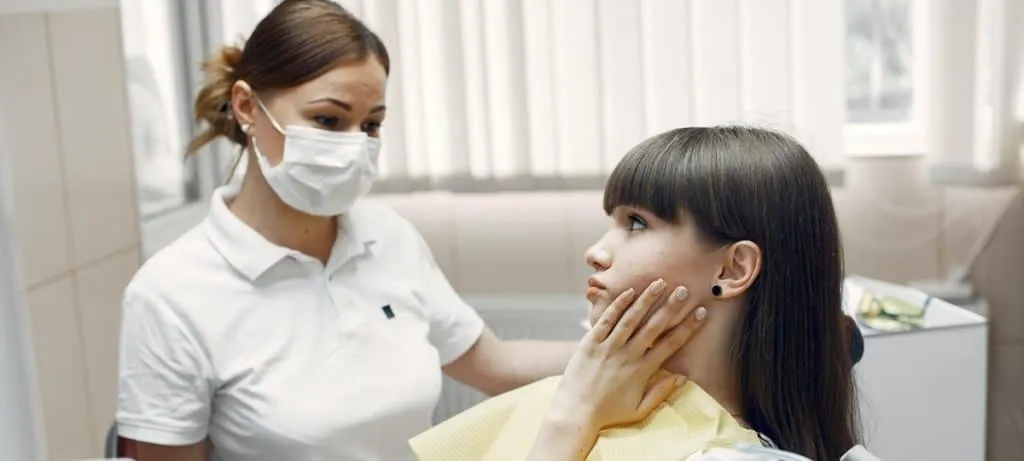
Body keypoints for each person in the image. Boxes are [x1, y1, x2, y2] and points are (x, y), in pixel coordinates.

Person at [115, 1, 622, 460]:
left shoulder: (388, 238)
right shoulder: (171, 295)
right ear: (247, 107)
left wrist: (633, 346)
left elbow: (491, 363)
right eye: (329, 121)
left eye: (371, 124)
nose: (355, 144)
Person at [410, 127, 875, 460]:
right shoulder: (570, 397)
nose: (596, 252)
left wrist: (570, 419)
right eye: (613, 221)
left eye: (636, 224)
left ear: (734, 269)